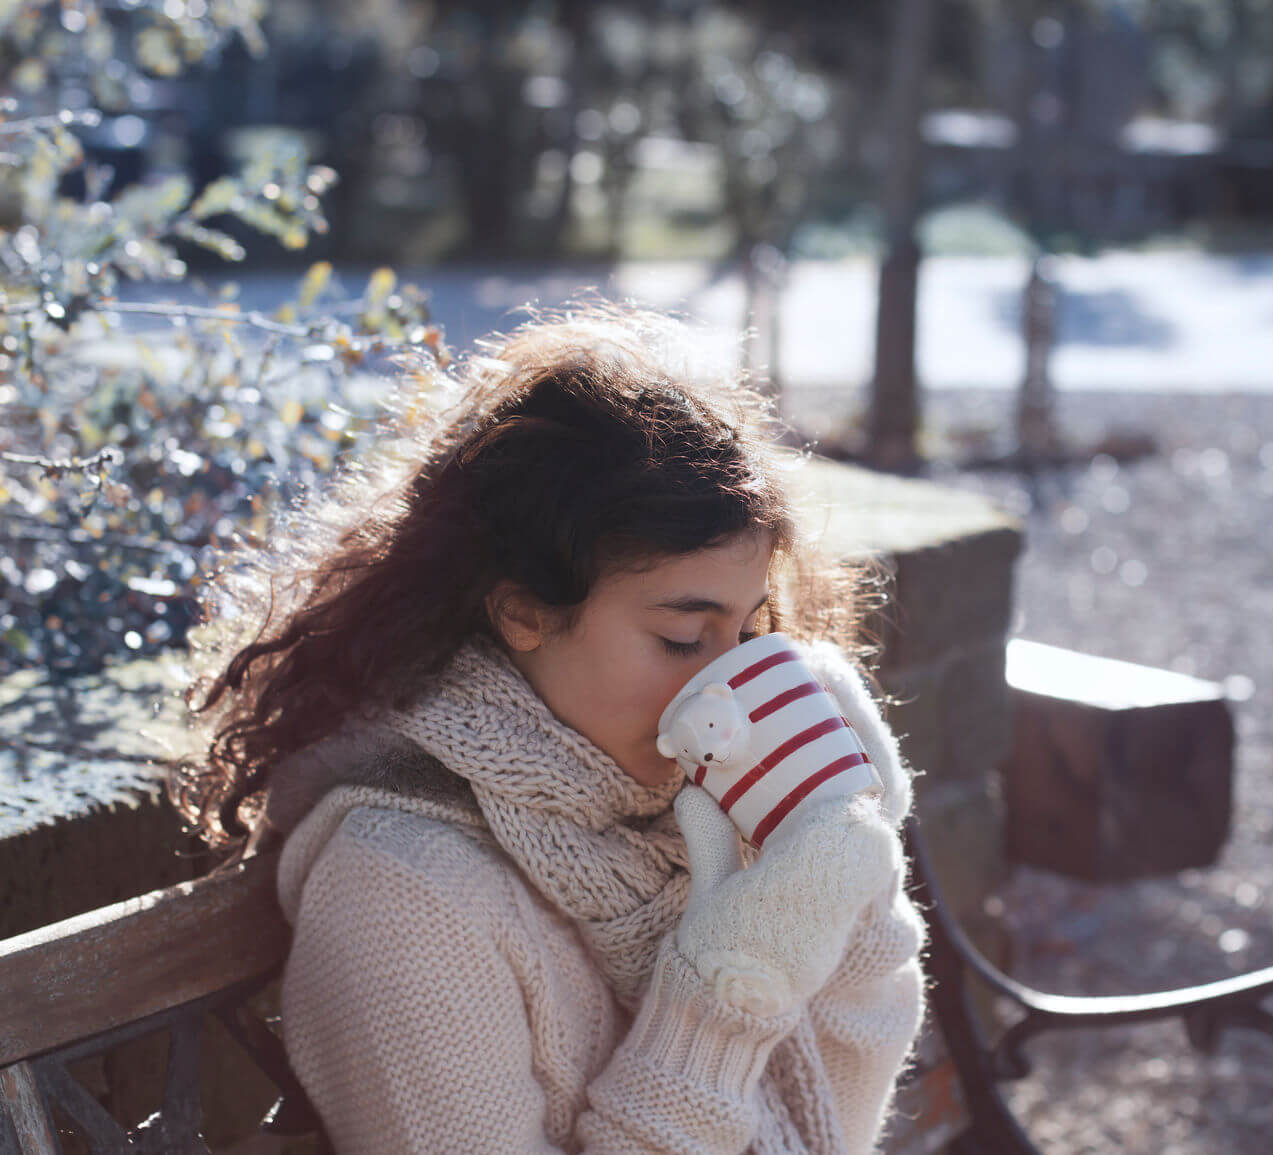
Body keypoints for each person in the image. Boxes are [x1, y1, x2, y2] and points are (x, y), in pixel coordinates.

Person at [173, 303, 926, 1154]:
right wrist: (724, 999)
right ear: (523, 611)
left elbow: (838, 1122)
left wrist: (855, 871)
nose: (727, 676)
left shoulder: (691, 810)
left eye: (748, 631)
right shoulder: (403, 892)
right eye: (683, 637)